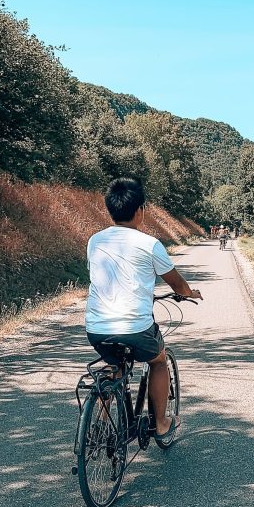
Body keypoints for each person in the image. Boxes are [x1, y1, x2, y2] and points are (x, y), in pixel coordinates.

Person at [85, 177, 202, 447]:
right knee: (158, 361)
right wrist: (190, 293)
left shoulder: (94, 241)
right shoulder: (149, 244)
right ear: (140, 211)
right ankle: (161, 423)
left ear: (110, 209)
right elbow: (177, 283)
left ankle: (101, 425)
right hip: (136, 328)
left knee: (113, 366)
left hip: (96, 327)